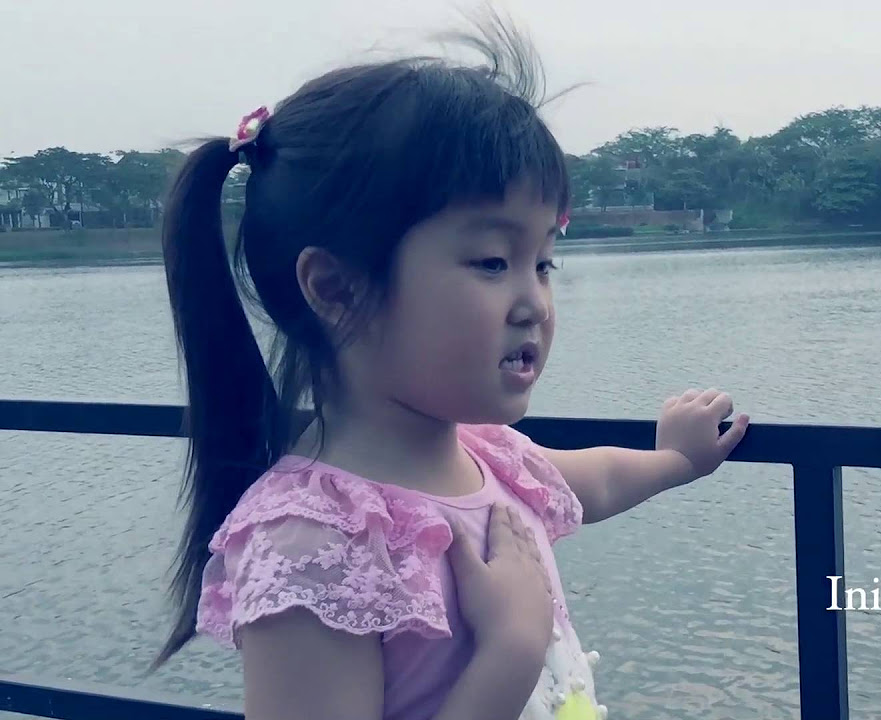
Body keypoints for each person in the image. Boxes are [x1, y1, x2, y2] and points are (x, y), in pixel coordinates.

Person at [148, 14, 749, 720]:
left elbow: (596, 481)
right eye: (492, 262)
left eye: (543, 263)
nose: (534, 303)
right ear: (337, 290)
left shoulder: (489, 459)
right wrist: (512, 650)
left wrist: (678, 460)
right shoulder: (313, 543)